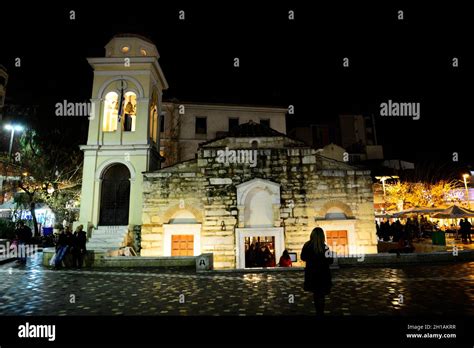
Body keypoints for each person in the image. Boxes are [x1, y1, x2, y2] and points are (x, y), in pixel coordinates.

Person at [301, 227, 333, 316]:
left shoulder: (307, 245)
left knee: (316, 294)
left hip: (312, 274)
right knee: (321, 294)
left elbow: (302, 257)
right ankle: (320, 312)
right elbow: (330, 261)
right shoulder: (324, 247)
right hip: (323, 274)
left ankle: (318, 311)